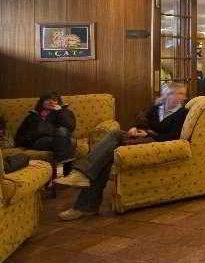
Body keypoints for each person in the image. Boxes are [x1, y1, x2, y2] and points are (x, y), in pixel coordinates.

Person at [54, 82, 189, 220]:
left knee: (113, 140)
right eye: (177, 93)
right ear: (167, 95)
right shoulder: (156, 108)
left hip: (155, 144)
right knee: (106, 155)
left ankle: (83, 183)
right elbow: (141, 123)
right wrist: (134, 128)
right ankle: (86, 204)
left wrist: (148, 134)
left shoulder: (182, 113)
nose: (182, 97)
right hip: (140, 139)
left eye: (183, 94)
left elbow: (173, 136)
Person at [14, 92, 76, 163]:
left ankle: (61, 166)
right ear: (41, 102)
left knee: (62, 132)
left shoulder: (64, 112)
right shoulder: (33, 116)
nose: (51, 102)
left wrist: (60, 111)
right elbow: (19, 136)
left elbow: (70, 126)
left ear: (58, 103)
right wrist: (30, 139)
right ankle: (65, 165)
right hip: (41, 141)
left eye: (54, 100)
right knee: (68, 142)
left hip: (60, 137)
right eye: (47, 99)